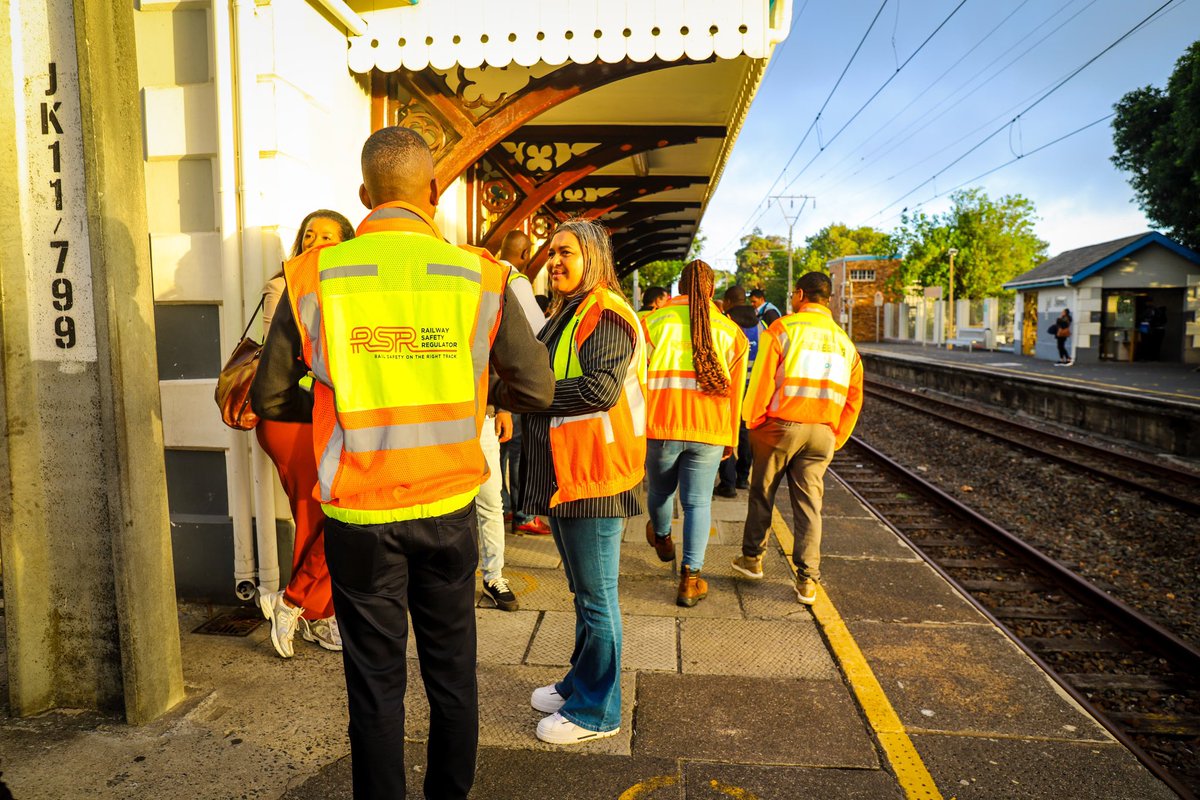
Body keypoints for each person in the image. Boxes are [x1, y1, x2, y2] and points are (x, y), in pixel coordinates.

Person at [251, 126, 554, 800]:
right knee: (451, 675)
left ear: (364, 195)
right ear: (435, 192)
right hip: (448, 510)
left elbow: (271, 395)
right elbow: (536, 390)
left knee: (375, 683)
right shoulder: (482, 274)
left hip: (358, 516)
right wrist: (474, 388)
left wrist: (347, 409)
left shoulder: (313, 274)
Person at [505, 218, 645, 745]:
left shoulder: (605, 316)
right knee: (584, 593)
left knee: (597, 598)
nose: (555, 261)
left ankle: (598, 711)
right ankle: (579, 683)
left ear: (594, 258)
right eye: (552, 252)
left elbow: (601, 390)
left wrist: (523, 397)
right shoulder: (573, 311)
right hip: (572, 474)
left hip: (595, 475)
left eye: (567, 252)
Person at [255, 209, 355, 658]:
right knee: (322, 516)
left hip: (325, 417)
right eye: (309, 235)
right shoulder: (285, 285)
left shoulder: (346, 287)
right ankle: (304, 607)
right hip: (293, 419)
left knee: (325, 515)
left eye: (327, 236)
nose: (315, 242)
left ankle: (310, 610)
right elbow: (281, 366)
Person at [732, 272, 863, 606]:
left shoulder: (783, 329)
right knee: (809, 506)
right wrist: (836, 435)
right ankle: (807, 581)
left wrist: (754, 421)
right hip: (822, 434)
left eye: (793, 293)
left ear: (801, 294)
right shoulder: (846, 343)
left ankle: (752, 559)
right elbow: (853, 399)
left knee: (762, 492)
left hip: (780, 427)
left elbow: (761, 380)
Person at [642, 261, 748, 607]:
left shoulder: (651, 323)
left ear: (679, 287)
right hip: (710, 430)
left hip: (660, 424)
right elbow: (736, 394)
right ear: (711, 291)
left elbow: (635, 382)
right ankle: (690, 579)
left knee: (659, 491)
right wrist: (731, 438)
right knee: (698, 503)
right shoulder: (732, 333)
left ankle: (661, 537)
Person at [494, 230, 553, 539]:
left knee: (499, 452)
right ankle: (524, 514)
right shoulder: (517, 280)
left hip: (489, 384)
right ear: (527, 253)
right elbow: (537, 332)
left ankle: (502, 504)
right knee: (518, 452)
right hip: (512, 383)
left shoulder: (488, 270)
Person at [715, 285, 760, 498]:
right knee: (745, 434)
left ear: (728, 302)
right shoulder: (763, 327)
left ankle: (728, 482)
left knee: (726, 433)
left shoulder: (724, 324)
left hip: (729, 390)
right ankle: (743, 478)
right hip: (753, 391)